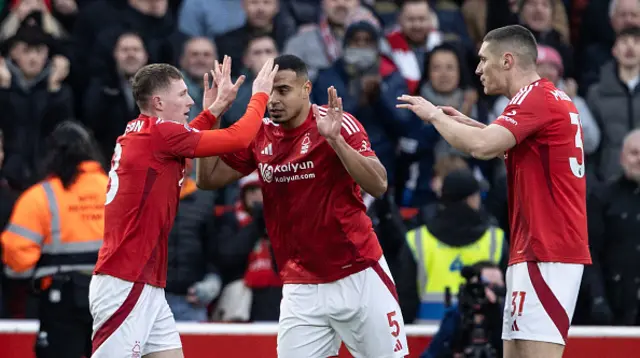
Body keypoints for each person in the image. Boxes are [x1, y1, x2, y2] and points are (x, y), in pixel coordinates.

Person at [397, 24, 591, 358]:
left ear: (507, 60)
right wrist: (466, 123)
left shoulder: (535, 99)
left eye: (484, 60)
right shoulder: (545, 100)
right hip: (532, 248)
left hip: (548, 249)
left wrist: (433, 117)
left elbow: (483, 147)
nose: (477, 69)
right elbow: (507, 145)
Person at [196, 54, 409, 358]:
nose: (273, 100)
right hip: (301, 285)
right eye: (267, 91)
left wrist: (336, 141)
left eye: (282, 90)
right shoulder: (260, 135)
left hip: (358, 274)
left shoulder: (337, 123)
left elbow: (379, 184)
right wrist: (213, 115)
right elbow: (208, 178)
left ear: (306, 88)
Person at [89, 56, 279, 358]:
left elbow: (185, 142)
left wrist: (214, 110)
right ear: (158, 102)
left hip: (145, 281)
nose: (190, 100)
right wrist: (260, 94)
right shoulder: (160, 134)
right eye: (182, 94)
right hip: (127, 279)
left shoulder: (146, 132)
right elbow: (240, 137)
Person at [1, 121, 107, 358]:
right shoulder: (114, 189)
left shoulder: (41, 196)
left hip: (61, 301)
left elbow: (17, 256)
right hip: (112, 298)